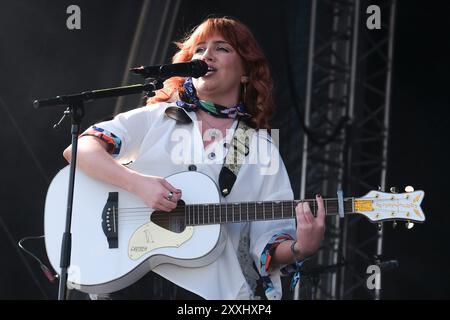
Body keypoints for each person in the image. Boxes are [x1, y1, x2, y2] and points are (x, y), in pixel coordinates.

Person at [63, 16, 325, 300]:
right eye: (199, 50)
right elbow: (80, 149)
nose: (206, 55)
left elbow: (269, 245)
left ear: (246, 71)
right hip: (134, 278)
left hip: (211, 293)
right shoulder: (160, 117)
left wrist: (301, 248)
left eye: (222, 48)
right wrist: (136, 184)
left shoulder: (261, 146)